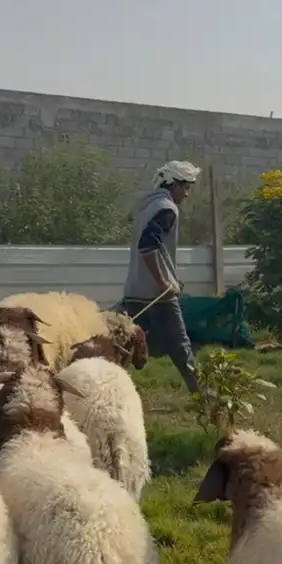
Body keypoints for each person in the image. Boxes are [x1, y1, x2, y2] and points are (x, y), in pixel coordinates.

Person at [121, 160, 202, 393]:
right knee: (180, 345)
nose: (186, 194)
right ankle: (201, 395)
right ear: (172, 184)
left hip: (135, 290)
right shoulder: (167, 208)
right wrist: (164, 282)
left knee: (124, 345)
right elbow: (148, 247)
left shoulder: (147, 205)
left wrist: (170, 277)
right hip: (158, 295)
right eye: (185, 188)